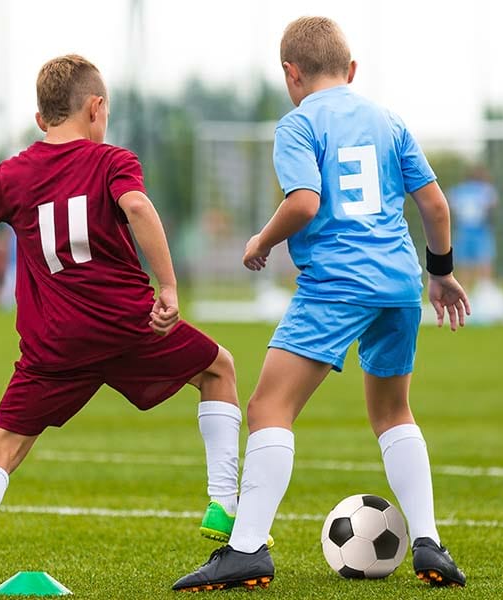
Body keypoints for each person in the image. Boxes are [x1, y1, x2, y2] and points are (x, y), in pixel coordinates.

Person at [0, 54, 244, 593]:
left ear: (41, 119)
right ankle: (222, 506)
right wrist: (169, 286)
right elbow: (136, 207)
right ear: (97, 108)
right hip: (126, 323)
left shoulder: (15, 172)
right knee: (218, 370)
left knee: (3, 444)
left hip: (54, 339)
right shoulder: (112, 160)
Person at [173, 17, 470, 592]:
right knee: (393, 413)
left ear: (291, 73)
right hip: (399, 284)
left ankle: (247, 549)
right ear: (352, 70)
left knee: (268, 408)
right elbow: (435, 206)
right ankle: (430, 542)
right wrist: (442, 274)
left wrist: (261, 240)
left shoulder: (298, 124)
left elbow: (305, 203)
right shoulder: (389, 120)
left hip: (336, 282)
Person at [448, 165, 497, 292]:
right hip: (480, 230)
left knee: (464, 262)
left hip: (463, 229)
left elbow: (449, 203)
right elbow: (492, 204)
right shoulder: (486, 190)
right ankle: (485, 290)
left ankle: (464, 290)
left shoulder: (458, 190)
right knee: (484, 260)